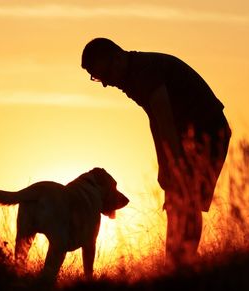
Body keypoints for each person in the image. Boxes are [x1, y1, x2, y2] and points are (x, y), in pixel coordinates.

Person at [81, 38, 231, 268]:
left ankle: (181, 265)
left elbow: (164, 117)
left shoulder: (143, 71)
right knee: (177, 200)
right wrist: (164, 164)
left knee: (185, 201)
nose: (104, 84)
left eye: (102, 74)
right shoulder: (132, 76)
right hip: (190, 135)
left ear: (116, 58)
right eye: (97, 78)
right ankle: (178, 265)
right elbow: (155, 120)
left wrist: (175, 164)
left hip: (208, 132)